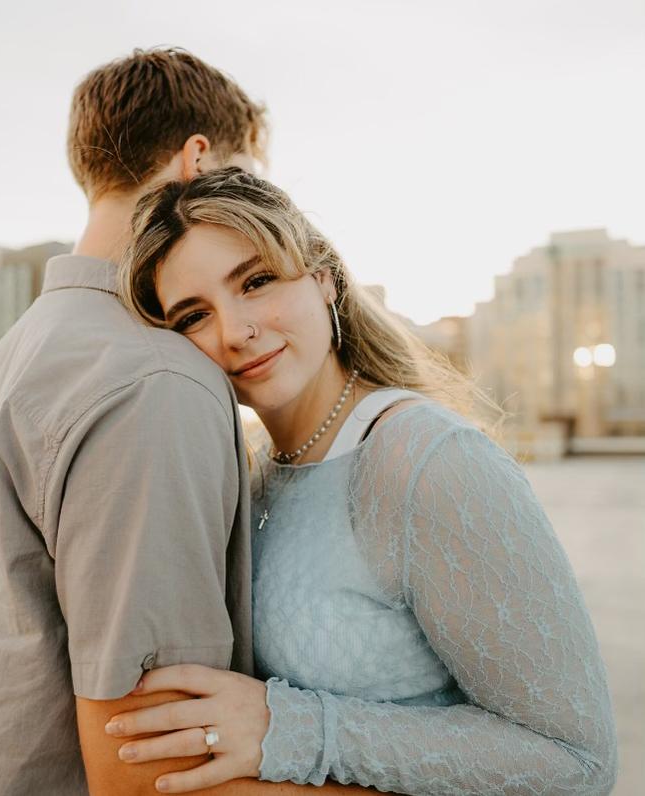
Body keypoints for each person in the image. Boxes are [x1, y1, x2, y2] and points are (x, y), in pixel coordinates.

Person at [0, 49, 362, 796]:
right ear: (198, 163)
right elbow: (156, 772)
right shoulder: (157, 379)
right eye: (248, 176)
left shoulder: (22, 350)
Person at [112, 166, 618, 795]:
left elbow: (576, 760)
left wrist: (291, 727)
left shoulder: (429, 462)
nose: (234, 332)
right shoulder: (253, 473)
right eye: (193, 316)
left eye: (257, 281)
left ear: (322, 277)